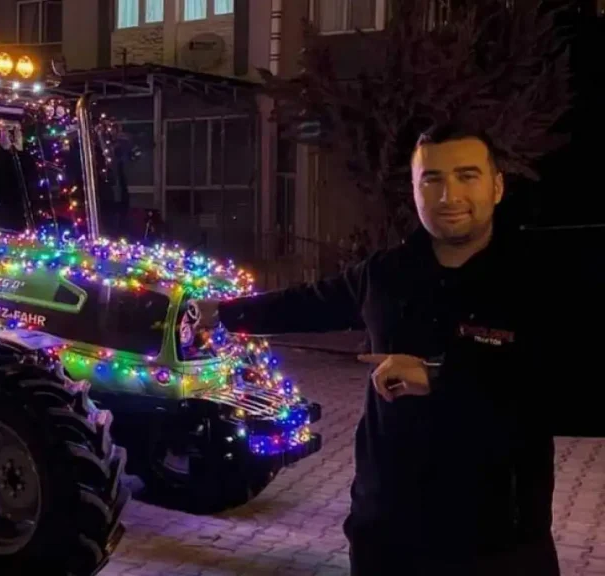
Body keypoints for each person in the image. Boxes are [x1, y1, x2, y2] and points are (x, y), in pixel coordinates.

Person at [187, 123, 560, 575]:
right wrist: (221, 314)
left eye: (467, 176)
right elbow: (309, 303)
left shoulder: (538, 278)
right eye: (432, 179)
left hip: (500, 542)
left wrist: (443, 376)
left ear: (497, 186)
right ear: (415, 189)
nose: (448, 195)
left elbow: (569, 386)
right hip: (388, 532)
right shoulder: (387, 273)